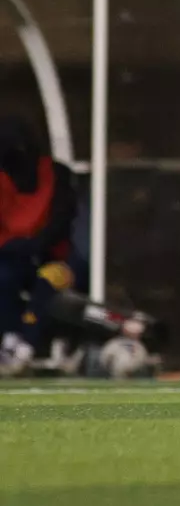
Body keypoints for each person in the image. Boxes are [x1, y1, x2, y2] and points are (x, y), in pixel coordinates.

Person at [0, 118, 78, 376]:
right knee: (4, 276)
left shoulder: (56, 174)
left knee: (48, 280)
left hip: (56, 260)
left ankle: (26, 345)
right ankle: (11, 339)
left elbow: (61, 221)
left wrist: (37, 245)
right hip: (10, 257)